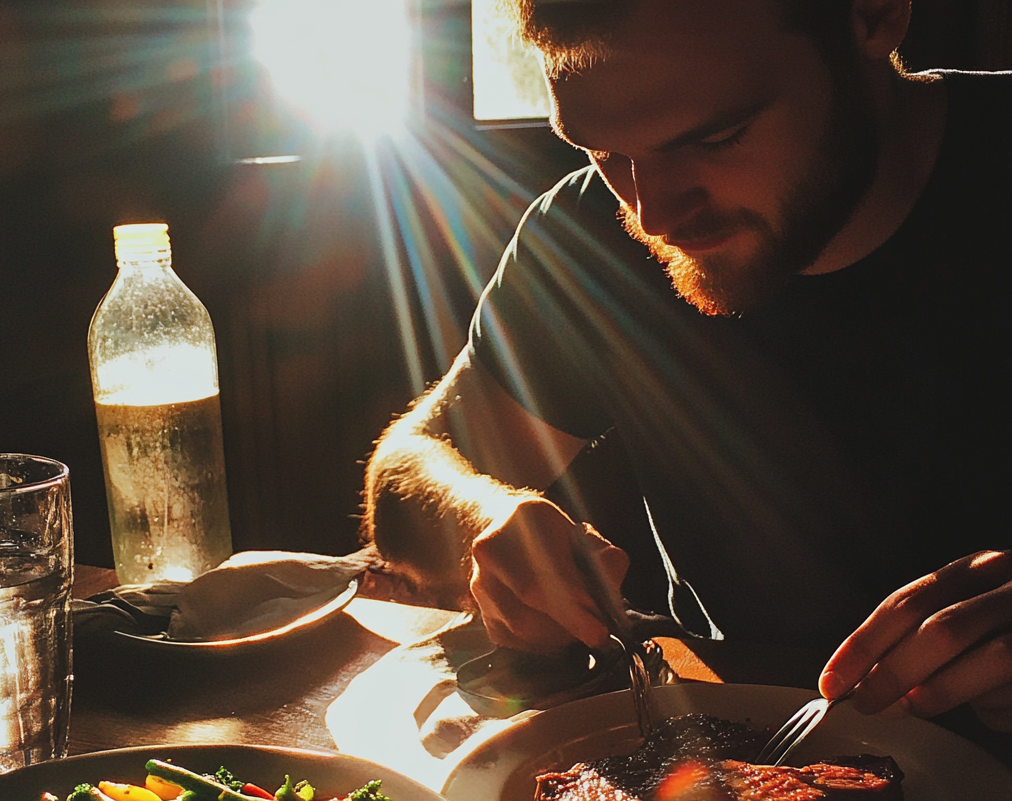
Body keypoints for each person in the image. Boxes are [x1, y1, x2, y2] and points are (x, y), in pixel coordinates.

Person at [363, 0, 1012, 730]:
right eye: (603, 153)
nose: (653, 216)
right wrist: (486, 516)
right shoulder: (591, 241)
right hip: (742, 770)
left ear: (874, 16)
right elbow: (408, 472)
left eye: (717, 139)